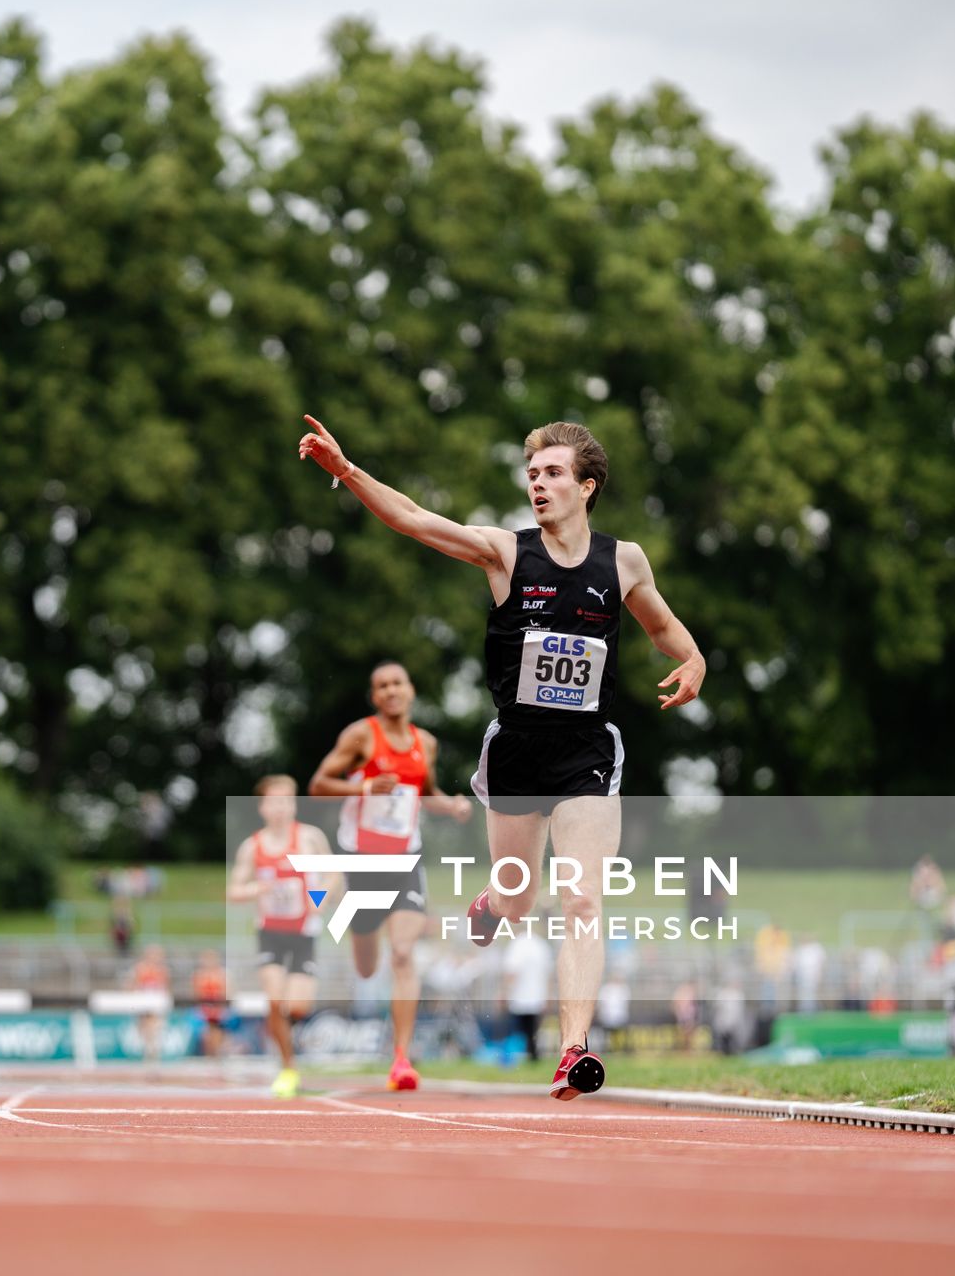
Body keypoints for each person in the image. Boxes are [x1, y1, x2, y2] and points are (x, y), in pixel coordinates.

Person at [298, 416, 705, 1101]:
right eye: (532, 474)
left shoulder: (624, 560)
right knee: (519, 903)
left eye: (551, 474)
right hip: (516, 750)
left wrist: (692, 658)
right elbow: (414, 519)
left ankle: (573, 1048)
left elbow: (662, 626)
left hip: (587, 753)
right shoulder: (505, 553)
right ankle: (493, 903)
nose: (537, 485)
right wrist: (346, 470)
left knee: (582, 898)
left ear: (587, 485)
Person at [308, 660, 474, 1091]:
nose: (390, 691)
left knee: (403, 954)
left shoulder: (426, 743)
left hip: (405, 860)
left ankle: (401, 1059)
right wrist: (363, 787)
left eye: (397, 682)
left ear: (410, 689)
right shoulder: (361, 735)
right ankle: (352, 920)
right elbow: (319, 784)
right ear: (375, 696)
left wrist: (451, 805)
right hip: (361, 859)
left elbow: (425, 792)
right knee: (367, 966)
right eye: (381, 686)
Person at [226, 774, 330, 1097]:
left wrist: (318, 899)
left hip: (303, 932)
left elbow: (334, 873)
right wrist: (258, 887)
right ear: (262, 807)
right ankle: (288, 1068)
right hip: (270, 932)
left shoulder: (309, 838)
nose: (282, 808)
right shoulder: (252, 847)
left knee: (297, 1006)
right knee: (274, 1000)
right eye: (275, 801)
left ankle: (284, 1036)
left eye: (287, 800)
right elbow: (233, 890)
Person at [502, 924, 553, 1063]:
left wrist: (504, 993)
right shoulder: (541, 945)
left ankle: (511, 1058)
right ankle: (533, 1057)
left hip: (519, 996)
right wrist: (548, 996)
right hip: (537, 996)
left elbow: (512, 972)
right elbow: (548, 974)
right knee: (533, 1032)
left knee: (516, 1031)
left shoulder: (517, 944)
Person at [129, 945, 170, 1067]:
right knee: (144, 1027)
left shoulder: (163, 970)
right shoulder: (140, 969)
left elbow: (165, 987)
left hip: (156, 1002)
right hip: (143, 1001)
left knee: (154, 1026)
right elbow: (134, 984)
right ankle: (147, 1051)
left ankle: (152, 1053)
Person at [191, 949, 231, 1060]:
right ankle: (209, 1055)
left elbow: (226, 992)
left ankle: (217, 1054)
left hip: (218, 1008)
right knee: (206, 1032)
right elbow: (197, 993)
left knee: (217, 1031)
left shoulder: (222, 974)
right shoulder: (199, 975)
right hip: (205, 1008)